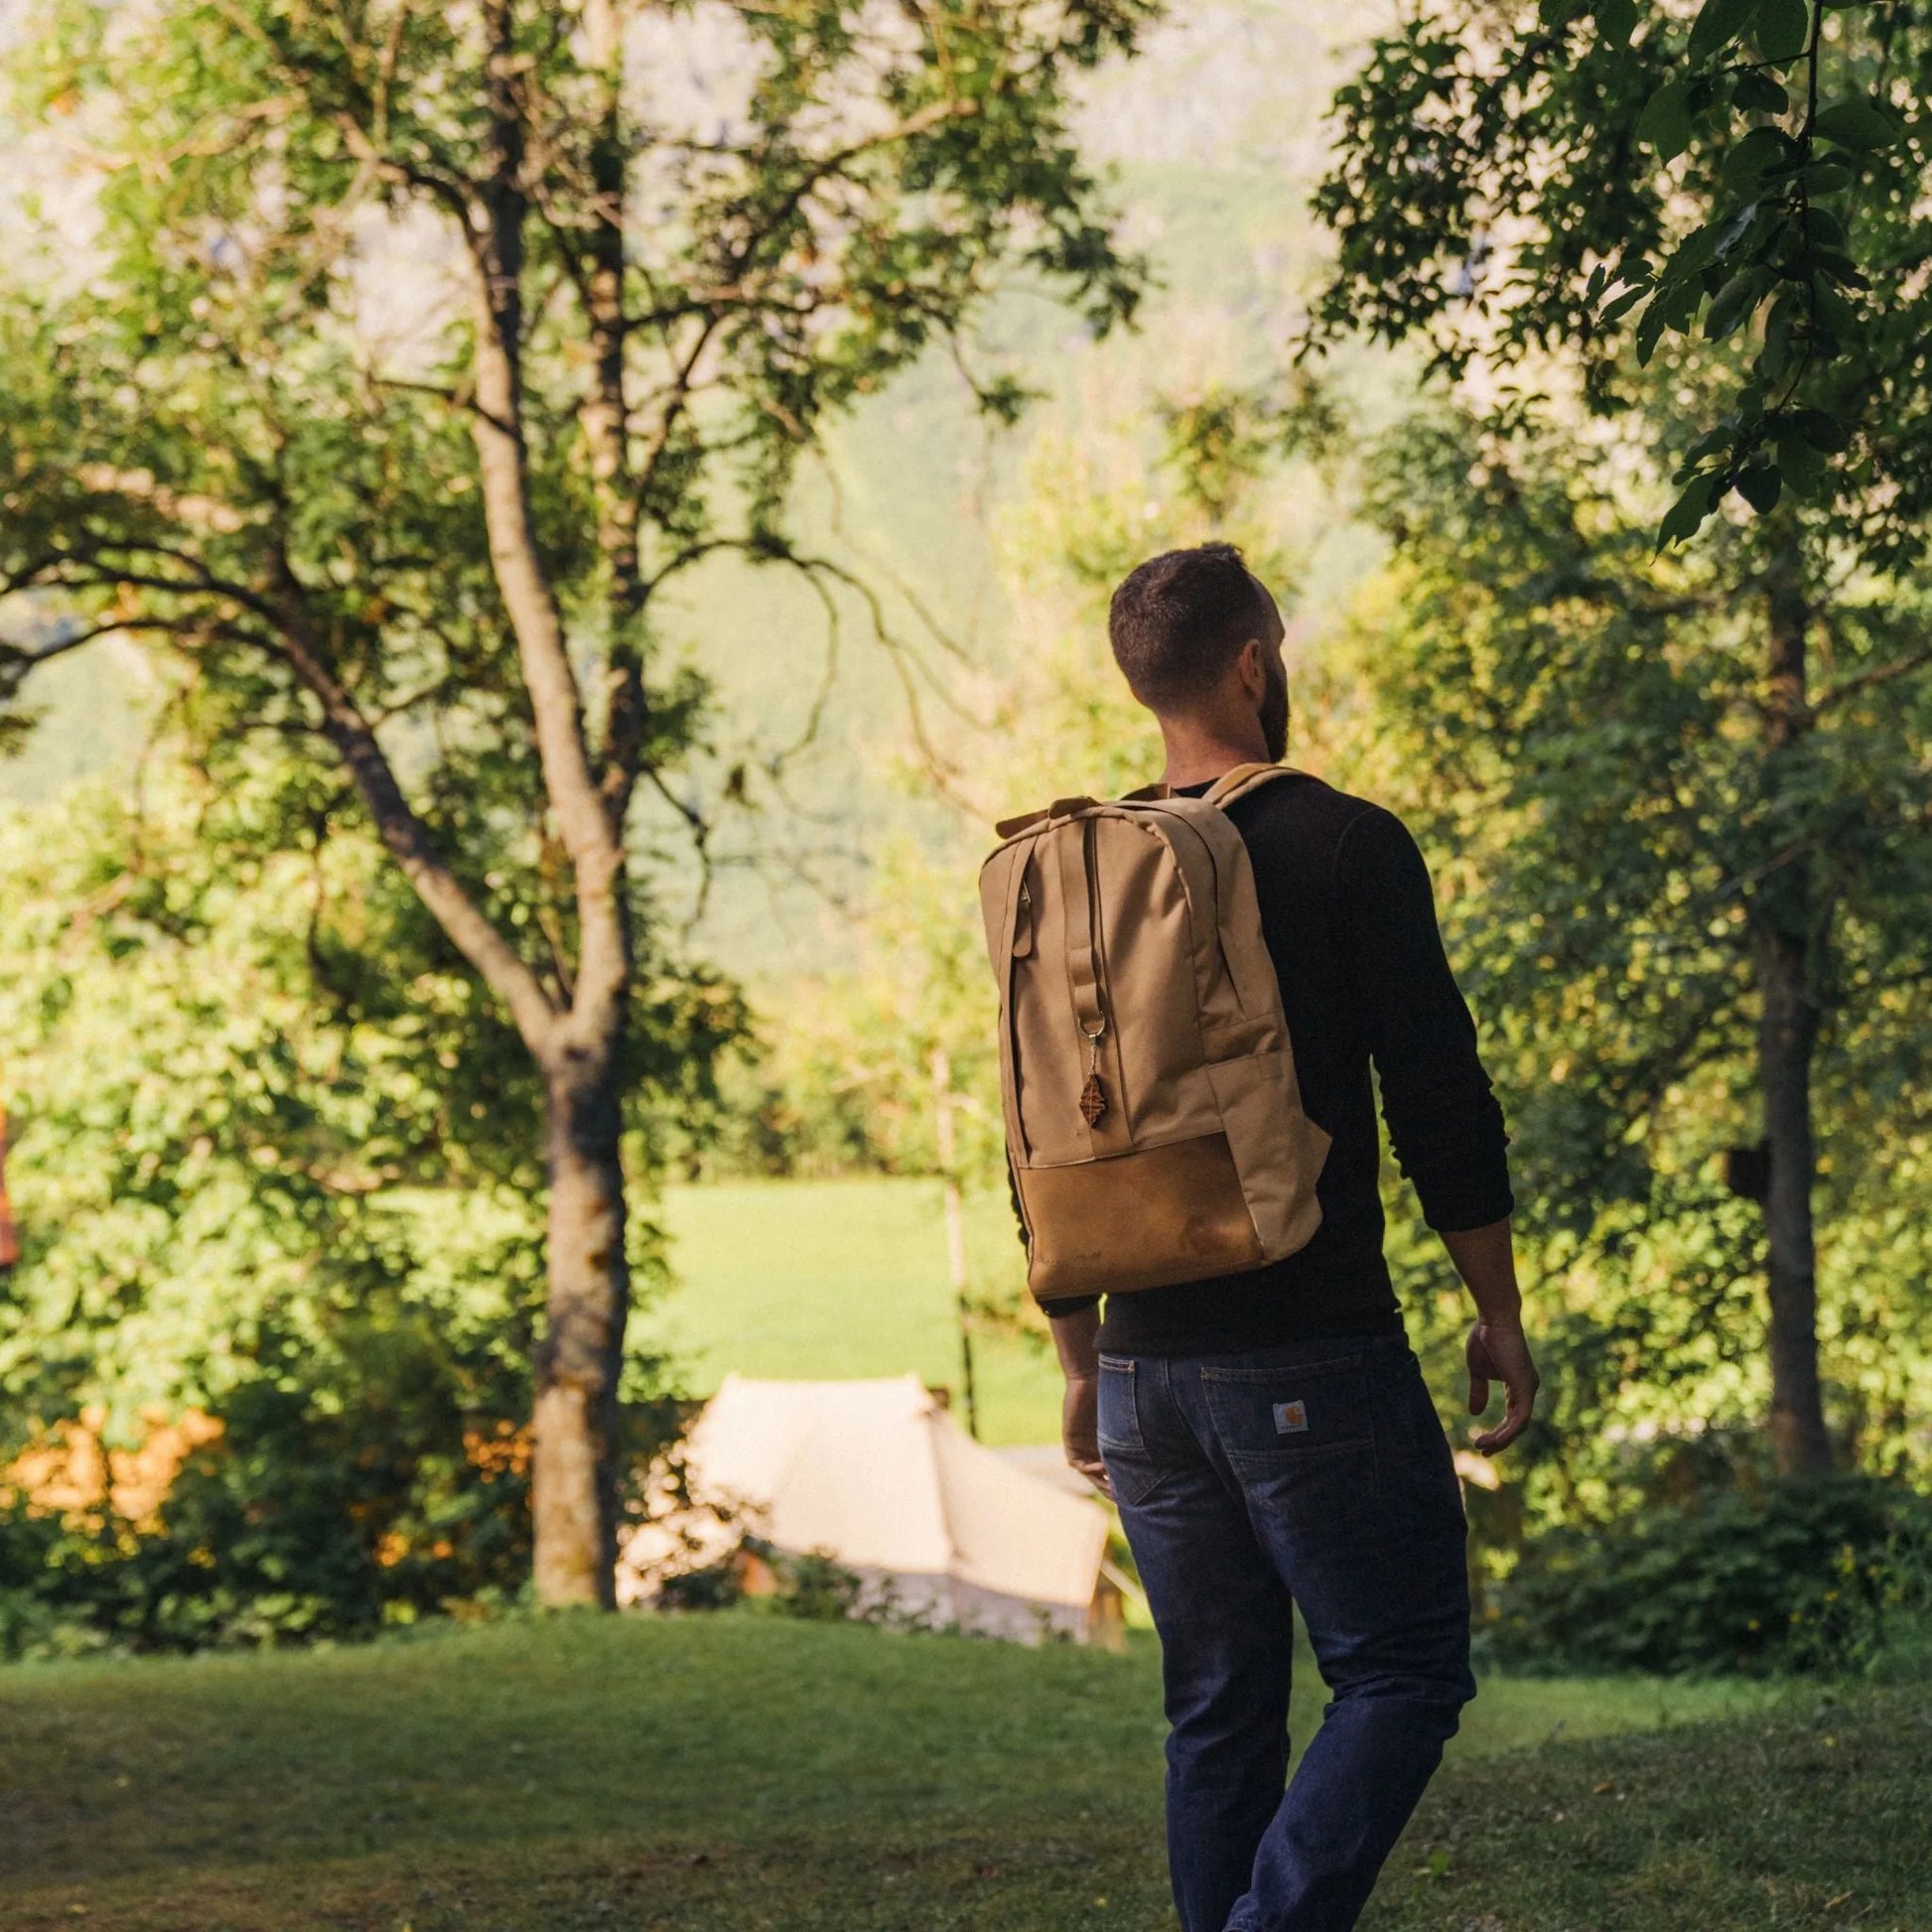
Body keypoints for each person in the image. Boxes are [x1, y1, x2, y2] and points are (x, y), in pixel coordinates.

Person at [1040, 542, 1539, 1932]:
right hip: (1305, 1342)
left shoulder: (1078, 868)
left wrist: (1080, 1360)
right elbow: (1440, 1099)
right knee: (1403, 1669)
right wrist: (1492, 1307)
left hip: (1140, 1365)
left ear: (1143, 683)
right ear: (1254, 664)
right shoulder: (1339, 842)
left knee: (1216, 1711)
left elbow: (1042, 1139)